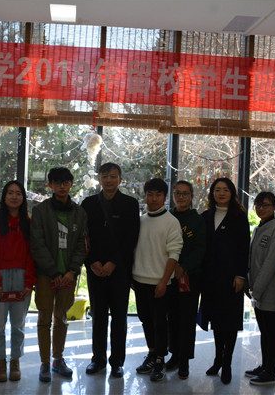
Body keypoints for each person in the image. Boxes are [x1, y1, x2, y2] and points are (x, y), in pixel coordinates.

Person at [81, 162, 140, 378]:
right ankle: (97, 359)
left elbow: (131, 237)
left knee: (119, 317)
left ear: (120, 180)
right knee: (98, 316)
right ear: (99, 179)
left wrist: (114, 262)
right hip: (95, 269)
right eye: (105, 176)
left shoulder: (130, 204)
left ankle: (117, 362)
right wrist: (92, 262)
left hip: (120, 270)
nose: (108, 180)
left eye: (113, 176)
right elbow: (83, 236)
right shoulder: (88, 204)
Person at [30, 167, 88, 383]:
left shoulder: (79, 213)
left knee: (62, 317)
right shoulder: (40, 211)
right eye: (57, 183)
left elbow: (83, 245)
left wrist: (72, 271)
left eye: (65, 182)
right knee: (44, 317)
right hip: (46, 275)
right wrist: (53, 271)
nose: (62, 187)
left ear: (71, 184)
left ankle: (58, 359)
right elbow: (37, 244)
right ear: (50, 185)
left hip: (68, 276)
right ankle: (45, 362)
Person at [0, 180, 36, 382]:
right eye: (10, 193)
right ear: (4, 197)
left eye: (18, 193)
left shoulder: (28, 223)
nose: (14, 197)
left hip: (22, 277)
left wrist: (29, 282)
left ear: (23, 198)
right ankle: (0, 362)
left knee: (18, 325)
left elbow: (32, 255)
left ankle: (15, 361)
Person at [199, 177, 250, 384]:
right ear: (212, 193)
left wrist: (240, 275)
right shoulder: (205, 216)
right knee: (217, 322)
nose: (221, 193)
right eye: (217, 190)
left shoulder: (239, 216)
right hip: (210, 278)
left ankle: (227, 363)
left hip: (231, 279)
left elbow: (244, 248)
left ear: (232, 193)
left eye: (225, 190)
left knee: (230, 322)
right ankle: (217, 360)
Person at [133, 178, 183, 382]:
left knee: (160, 323)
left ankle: (161, 359)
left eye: (158, 195)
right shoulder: (140, 221)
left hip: (160, 283)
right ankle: (152, 354)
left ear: (165, 197)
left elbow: (174, 254)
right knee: (146, 320)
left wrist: (164, 281)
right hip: (139, 280)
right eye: (150, 194)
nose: (153, 199)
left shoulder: (171, 222)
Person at [245, 191, 275, 386]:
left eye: (266, 205)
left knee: (271, 331)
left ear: (274, 207)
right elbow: (253, 261)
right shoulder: (258, 228)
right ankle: (265, 366)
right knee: (264, 331)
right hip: (258, 289)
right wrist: (250, 284)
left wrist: (257, 290)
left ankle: (271, 372)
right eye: (258, 205)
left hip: (270, 289)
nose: (261, 209)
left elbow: (270, 263)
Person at [167, 180, 206, 379]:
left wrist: (183, 266)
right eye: (177, 193)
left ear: (191, 197)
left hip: (189, 277)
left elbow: (200, 248)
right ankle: (174, 355)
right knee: (171, 318)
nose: (181, 197)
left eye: (185, 194)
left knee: (187, 319)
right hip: (167, 275)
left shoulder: (197, 220)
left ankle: (184, 361)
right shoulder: (167, 217)